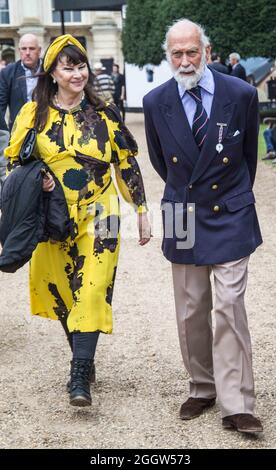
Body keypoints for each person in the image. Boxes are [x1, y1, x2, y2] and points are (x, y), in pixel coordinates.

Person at [4, 34, 151, 407]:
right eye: (68, 67)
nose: (77, 73)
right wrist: (37, 177)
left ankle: (79, 373)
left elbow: (127, 163)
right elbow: (14, 162)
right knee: (61, 291)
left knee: (94, 285)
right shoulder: (33, 115)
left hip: (102, 213)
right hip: (52, 215)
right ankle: (82, 355)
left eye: (81, 65)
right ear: (52, 72)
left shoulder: (105, 114)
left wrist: (142, 211)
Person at [143, 18, 263, 434]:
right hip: (181, 209)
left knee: (229, 305)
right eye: (176, 53)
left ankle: (238, 403)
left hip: (229, 209)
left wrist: (233, 197)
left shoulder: (242, 94)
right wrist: (184, 192)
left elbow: (249, 156)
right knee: (191, 309)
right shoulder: (155, 101)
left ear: (207, 52)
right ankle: (202, 387)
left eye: (192, 51)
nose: (185, 59)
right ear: (168, 56)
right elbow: (162, 161)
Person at [0, 33, 42, 131]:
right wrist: (4, 135)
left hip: (47, 129)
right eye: (24, 49)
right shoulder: (8, 73)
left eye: (32, 48)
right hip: (19, 130)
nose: (27, 52)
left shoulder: (48, 70)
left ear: (39, 51)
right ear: (19, 51)